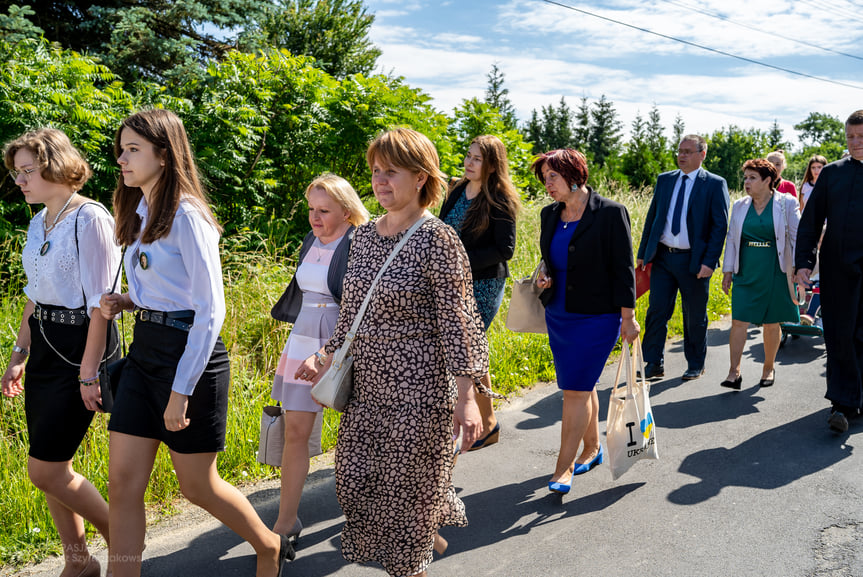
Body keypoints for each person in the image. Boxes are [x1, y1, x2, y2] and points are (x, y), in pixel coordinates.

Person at [98, 109, 291, 577]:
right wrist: (128, 299)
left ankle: (267, 545)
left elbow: (209, 311)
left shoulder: (188, 214)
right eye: (121, 149)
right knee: (122, 485)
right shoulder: (139, 210)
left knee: (196, 486)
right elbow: (168, 286)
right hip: (144, 351)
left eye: (133, 150)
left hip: (190, 358)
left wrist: (181, 391)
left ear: (163, 155)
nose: (121, 159)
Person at [298, 128, 488, 577]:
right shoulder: (362, 239)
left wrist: (467, 398)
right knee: (354, 483)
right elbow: (352, 316)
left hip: (419, 396)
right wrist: (325, 355)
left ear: (421, 177)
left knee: (403, 508)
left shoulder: (438, 240)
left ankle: (417, 540)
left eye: (392, 172)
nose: (380, 181)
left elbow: (459, 322)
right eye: (376, 172)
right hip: (367, 392)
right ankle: (426, 519)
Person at [1, 128, 120, 577]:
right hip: (47, 347)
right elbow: (35, 294)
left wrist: (89, 371)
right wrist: (19, 352)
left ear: (56, 165)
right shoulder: (38, 221)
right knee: (54, 462)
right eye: (16, 174)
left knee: (45, 471)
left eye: (28, 171)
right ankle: (78, 562)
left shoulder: (91, 218)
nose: (21, 182)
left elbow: (101, 304)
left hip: (81, 348)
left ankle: (122, 536)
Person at [531, 148, 639, 495]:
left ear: (574, 175)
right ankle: (592, 449)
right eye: (544, 177)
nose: (547, 184)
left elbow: (624, 269)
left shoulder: (610, 213)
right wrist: (545, 274)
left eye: (552, 176)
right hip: (559, 313)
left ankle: (563, 468)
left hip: (598, 316)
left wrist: (629, 317)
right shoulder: (550, 215)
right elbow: (551, 258)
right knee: (582, 384)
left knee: (574, 391)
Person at [268, 173, 369, 544]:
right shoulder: (310, 239)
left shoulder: (360, 242)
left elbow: (359, 306)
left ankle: (374, 509)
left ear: (346, 210)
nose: (314, 217)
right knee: (295, 432)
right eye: (311, 208)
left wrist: (329, 352)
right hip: (302, 341)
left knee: (357, 433)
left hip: (344, 343)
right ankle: (287, 520)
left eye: (324, 210)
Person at [438, 134, 519, 450]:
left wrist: (459, 261)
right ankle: (489, 424)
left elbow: (505, 249)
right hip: (450, 282)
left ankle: (457, 428)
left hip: (484, 284)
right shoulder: (457, 189)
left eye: (476, 158)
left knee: (463, 349)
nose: (468, 162)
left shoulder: (499, 198)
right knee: (470, 353)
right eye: (468, 156)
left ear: (491, 165)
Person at [637, 134, 730, 381]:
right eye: (680, 150)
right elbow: (652, 218)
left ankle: (696, 363)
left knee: (694, 315)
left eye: (688, 151)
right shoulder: (665, 180)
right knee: (656, 311)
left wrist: (710, 262)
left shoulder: (713, 183)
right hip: (663, 258)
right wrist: (643, 253)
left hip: (695, 261)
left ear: (702, 154)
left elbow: (720, 226)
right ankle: (653, 362)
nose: (682, 155)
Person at [795, 109, 863, 433]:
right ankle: (842, 403)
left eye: (861, 136)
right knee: (839, 334)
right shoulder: (832, 174)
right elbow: (810, 222)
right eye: (850, 136)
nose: (855, 142)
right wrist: (803, 264)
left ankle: (856, 398)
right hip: (837, 267)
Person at [720, 159, 801, 390]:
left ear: (768, 180)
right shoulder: (739, 205)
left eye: (752, 177)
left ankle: (768, 367)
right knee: (738, 321)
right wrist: (727, 271)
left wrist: (796, 270)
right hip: (746, 271)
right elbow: (733, 239)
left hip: (775, 270)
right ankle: (734, 371)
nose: (747, 182)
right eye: (745, 177)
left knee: (771, 323)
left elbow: (796, 238)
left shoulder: (786, 203)